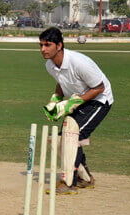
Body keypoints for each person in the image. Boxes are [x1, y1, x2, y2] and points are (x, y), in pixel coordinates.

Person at [39, 27, 113, 194]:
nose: (43, 49)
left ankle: (68, 181)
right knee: (59, 141)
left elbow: (99, 88)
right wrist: (55, 100)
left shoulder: (79, 62)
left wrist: (72, 103)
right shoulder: (49, 65)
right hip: (79, 99)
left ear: (59, 46)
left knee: (72, 134)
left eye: (47, 45)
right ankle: (85, 178)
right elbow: (61, 82)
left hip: (99, 100)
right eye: (41, 45)